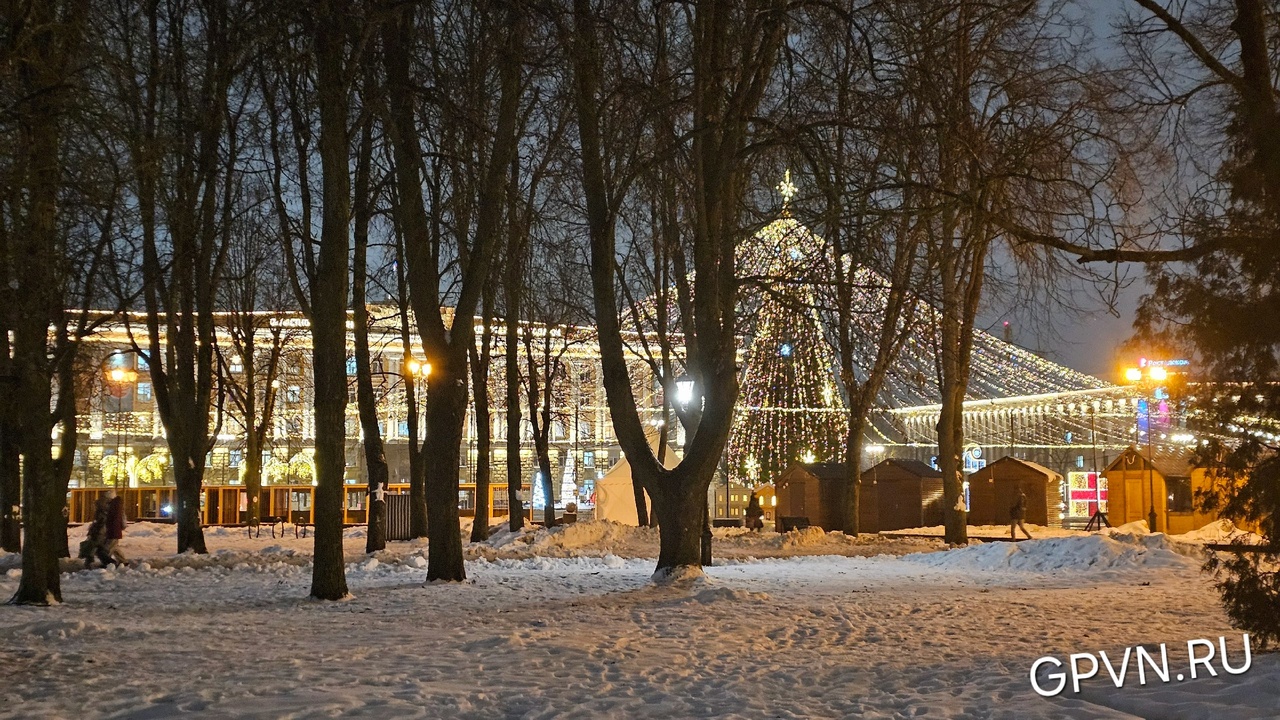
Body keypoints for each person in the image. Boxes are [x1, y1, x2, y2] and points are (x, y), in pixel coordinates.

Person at [80, 495, 110, 568]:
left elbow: (99, 523)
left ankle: (91, 561)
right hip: (100, 532)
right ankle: (106, 562)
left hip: (99, 532)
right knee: (97, 548)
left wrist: (94, 530)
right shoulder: (104, 512)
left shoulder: (100, 512)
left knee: (94, 547)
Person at [100, 490, 126, 567]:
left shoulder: (114, 506)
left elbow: (112, 519)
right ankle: (123, 561)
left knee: (107, 549)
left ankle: (108, 564)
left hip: (113, 530)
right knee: (114, 548)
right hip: (115, 530)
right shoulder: (116, 505)